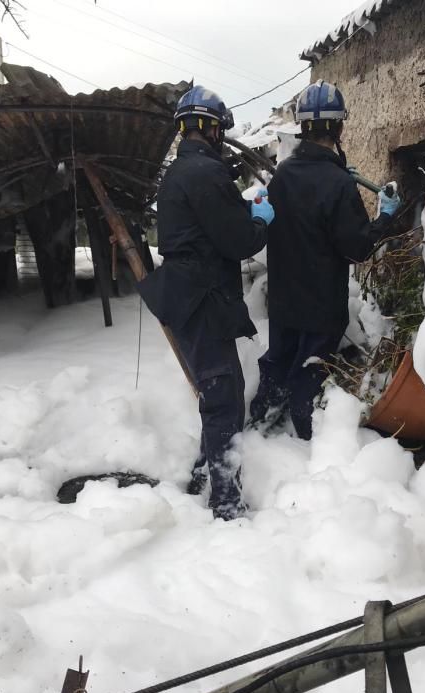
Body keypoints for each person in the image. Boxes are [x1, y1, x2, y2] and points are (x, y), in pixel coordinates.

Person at [138, 85, 274, 520]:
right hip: (201, 298)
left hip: (188, 294)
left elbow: (203, 216)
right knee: (224, 398)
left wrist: (229, 182)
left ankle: (203, 474)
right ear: (214, 130)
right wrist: (258, 220)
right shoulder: (205, 176)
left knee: (217, 391)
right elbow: (235, 241)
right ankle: (226, 500)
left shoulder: (182, 172)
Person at [249, 79, 401, 440]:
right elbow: (358, 248)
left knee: (278, 360)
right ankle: (305, 441)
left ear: (302, 126)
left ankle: (258, 426)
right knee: (309, 369)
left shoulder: (282, 176)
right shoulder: (338, 184)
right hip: (321, 304)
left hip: (285, 298)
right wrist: (385, 216)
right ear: (339, 127)